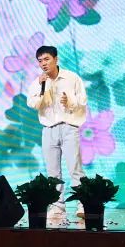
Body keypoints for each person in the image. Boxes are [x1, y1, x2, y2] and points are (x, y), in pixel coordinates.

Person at [26, 45, 87, 219]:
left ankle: (83, 204)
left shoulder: (71, 78)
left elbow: (83, 100)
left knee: (75, 168)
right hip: (49, 129)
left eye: (47, 59)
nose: (43, 64)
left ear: (56, 59)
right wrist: (41, 87)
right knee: (53, 172)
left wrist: (70, 100)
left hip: (69, 127)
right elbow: (33, 104)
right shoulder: (38, 82)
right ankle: (57, 207)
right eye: (40, 61)